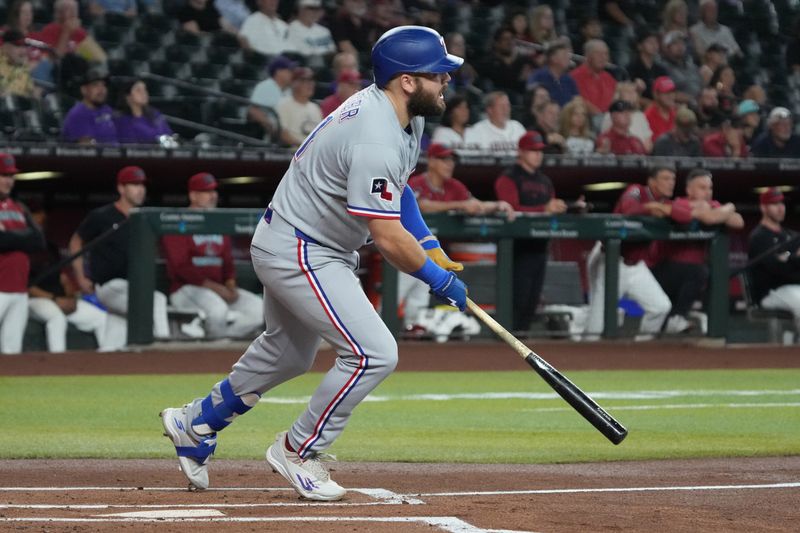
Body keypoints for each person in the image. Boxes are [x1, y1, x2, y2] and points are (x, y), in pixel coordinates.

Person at [160, 25, 467, 499]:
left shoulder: (405, 116)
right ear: (407, 80)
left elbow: (399, 187)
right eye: (437, 73)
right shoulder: (375, 134)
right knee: (374, 353)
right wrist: (435, 279)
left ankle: (195, 421)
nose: (446, 80)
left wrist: (427, 243)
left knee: (289, 352)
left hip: (302, 242)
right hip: (301, 247)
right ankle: (298, 449)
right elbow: (385, 236)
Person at [399, 143, 514, 332]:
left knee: (418, 303)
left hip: (433, 253)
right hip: (406, 247)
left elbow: (474, 204)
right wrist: (458, 205)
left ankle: (412, 338)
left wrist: (497, 205)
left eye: (451, 160)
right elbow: (422, 206)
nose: (449, 164)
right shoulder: (416, 183)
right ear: (432, 161)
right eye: (444, 159)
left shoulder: (454, 186)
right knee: (395, 296)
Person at [585, 166, 690, 341]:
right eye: (665, 178)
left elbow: (686, 216)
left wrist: (665, 209)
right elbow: (629, 209)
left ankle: (640, 349)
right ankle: (581, 360)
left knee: (660, 307)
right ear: (652, 181)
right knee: (597, 327)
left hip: (636, 266)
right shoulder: (637, 190)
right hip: (610, 260)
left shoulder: (666, 203)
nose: (671, 183)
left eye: (673, 179)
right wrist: (652, 206)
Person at [69, 166, 170, 345]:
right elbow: (76, 242)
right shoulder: (102, 216)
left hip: (134, 285)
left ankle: (108, 360)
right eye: (134, 185)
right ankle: (161, 344)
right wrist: (81, 277)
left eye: (142, 185)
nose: (140, 189)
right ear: (121, 188)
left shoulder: (144, 218)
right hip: (110, 284)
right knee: (156, 300)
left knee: (115, 338)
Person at [162, 173, 263, 340]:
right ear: (193, 195)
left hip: (218, 289)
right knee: (217, 310)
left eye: (214, 191)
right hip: (186, 289)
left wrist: (230, 285)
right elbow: (181, 267)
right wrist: (218, 289)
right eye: (206, 191)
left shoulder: (217, 221)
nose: (213, 196)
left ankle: (221, 341)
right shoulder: (179, 220)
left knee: (259, 309)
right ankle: (214, 347)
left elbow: (228, 262)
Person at [652, 168, 744, 334]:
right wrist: (729, 207)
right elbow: (711, 218)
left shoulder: (713, 205)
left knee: (661, 321)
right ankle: (676, 319)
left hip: (688, 276)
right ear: (689, 190)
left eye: (709, 188)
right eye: (702, 187)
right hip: (665, 270)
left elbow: (738, 221)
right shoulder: (680, 203)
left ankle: (677, 321)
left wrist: (726, 209)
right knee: (699, 272)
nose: (707, 192)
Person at [494, 131, 568, 332]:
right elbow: (511, 209)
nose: (538, 155)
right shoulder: (509, 177)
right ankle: (503, 347)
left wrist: (562, 207)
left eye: (540, 151)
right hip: (515, 248)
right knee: (516, 300)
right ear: (521, 152)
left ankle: (522, 341)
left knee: (531, 302)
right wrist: (544, 209)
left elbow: (549, 207)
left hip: (539, 247)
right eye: (533, 151)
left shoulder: (545, 181)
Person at [27, 205, 122, 352]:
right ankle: (59, 364)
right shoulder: (23, 248)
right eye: (37, 221)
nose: (41, 224)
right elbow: (27, 286)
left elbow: (63, 278)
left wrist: (71, 297)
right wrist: (55, 299)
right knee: (56, 318)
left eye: (43, 221)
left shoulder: (50, 247)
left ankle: (109, 362)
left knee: (101, 317)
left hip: (60, 299)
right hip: (36, 300)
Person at [0, 153, 45, 354]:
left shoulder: (19, 207)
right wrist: (22, 236)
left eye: (11, 175)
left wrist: (9, 235)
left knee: (13, 349)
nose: (9, 180)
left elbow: (38, 240)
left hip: (19, 288)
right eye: (3, 175)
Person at [747, 187, 800, 338]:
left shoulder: (791, 235)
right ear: (763, 207)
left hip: (793, 287)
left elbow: (785, 266)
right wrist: (795, 258)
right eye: (774, 204)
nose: (780, 208)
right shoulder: (759, 237)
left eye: (781, 204)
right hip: (771, 291)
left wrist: (788, 258)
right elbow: (777, 270)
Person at [29, 0, 106, 62]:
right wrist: (66, 33)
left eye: (75, 12)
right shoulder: (49, 30)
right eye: (71, 11)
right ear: (59, 14)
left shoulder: (79, 32)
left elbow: (100, 59)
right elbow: (53, 61)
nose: (75, 16)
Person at [61, 66, 118, 144]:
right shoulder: (78, 115)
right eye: (95, 85)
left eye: (103, 85)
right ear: (84, 90)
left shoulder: (106, 109)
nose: (101, 89)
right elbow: (88, 150)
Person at [463, 91, 526, 155]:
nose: (505, 110)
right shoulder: (475, 131)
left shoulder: (517, 127)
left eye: (507, 105)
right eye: (501, 106)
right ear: (490, 110)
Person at [113, 78, 174, 144]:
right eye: (138, 90)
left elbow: (169, 137)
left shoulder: (156, 114)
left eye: (145, 89)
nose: (144, 93)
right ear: (128, 97)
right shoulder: (121, 120)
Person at [247, 55, 296, 136]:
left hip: (288, 130)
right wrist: (270, 126)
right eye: (289, 70)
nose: (292, 73)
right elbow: (253, 111)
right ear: (278, 72)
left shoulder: (289, 90)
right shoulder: (264, 86)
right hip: (269, 133)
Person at [599, 81, 653, 152]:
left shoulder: (640, 116)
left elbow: (648, 142)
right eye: (628, 92)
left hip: (639, 151)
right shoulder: (610, 115)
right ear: (619, 95)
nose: (632, 95)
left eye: (634, 92)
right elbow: (606, 138)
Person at [276, 66, 322, 147]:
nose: (310, 84)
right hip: (290, 153)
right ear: (294, 83)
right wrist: (305, 148)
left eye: (311, 80)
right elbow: (283, 135)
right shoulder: (284, 105)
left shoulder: (315, 108)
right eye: (304, 80)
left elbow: (321, 135)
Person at [569, 39, 616, 117]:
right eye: (598, 53)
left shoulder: (609, 78)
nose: (603, 57)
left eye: (606, 54)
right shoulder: (574, 77)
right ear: (587, 55)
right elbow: (579, 102)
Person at [525, 40, 579, 108]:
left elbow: (577, 100)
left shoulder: (569, 80)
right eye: (564, 55)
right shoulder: (537, 76)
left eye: (568, 55)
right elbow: (532, 99)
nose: (568, 58)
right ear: (553, 58)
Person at [285, 0, 335, 69]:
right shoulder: (291, 29)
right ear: (301, 10)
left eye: (317, 9)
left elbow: (332, 51)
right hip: (305, 66)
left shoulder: (324, 30)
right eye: (311, 9)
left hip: (327, 66)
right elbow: (303, 53)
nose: (315, 13)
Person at [626, 26, 669, 104]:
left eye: (656, 42)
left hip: (661, 105)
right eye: (649, 42)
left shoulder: (661, 69)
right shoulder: (631, 68)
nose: (654, 45)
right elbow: (629, 95)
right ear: (639, 46)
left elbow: (668, 90)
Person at [660, 30, 703, 104]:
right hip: (680, 105)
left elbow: (700, 86)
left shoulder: (692, 66)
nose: (680, 46)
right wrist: (692, 100)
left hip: (700, 102)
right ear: (667, 48)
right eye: (675, 43)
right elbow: (667, 93)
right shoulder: (663, 67)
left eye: (682, 43)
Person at [0, 28, 37, 99]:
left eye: (24, 46)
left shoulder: (24, 66)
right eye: (18, 45)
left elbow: (30, 92)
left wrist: (34, 94)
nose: (23, 50)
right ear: (5, 47)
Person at [644, 75, 677, 143]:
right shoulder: (648, 116)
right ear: (656, 94)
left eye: (672, 92)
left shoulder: (676, 113)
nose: (671, 96)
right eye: (666, 93)